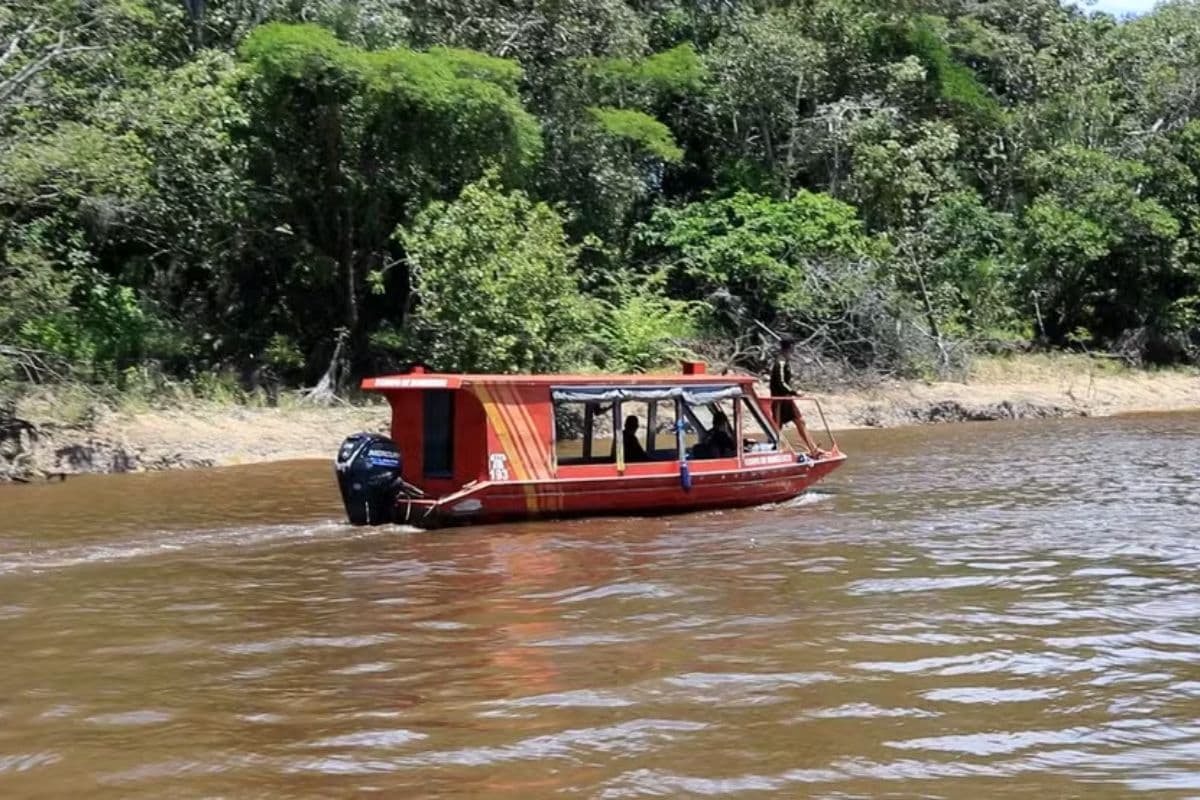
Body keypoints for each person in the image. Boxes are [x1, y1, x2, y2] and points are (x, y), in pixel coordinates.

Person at [769, 339, 828, 458]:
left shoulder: (785, 361)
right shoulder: (780, 362)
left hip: (786, 397)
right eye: (792, 348)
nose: (794, 350)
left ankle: (813, 449)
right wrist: (794, 392)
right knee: (777, 426)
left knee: (800, 421)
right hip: (781, 399)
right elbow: (780, 382)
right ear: (789, 348)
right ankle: (773, 450)